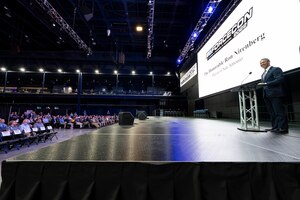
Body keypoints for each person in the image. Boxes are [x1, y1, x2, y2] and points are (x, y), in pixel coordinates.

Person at [258, 58, 289, 134]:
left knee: (279, 111)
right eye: (260, 63)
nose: (262, 64)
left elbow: (280, 79)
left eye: (263, 62)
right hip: (267, 95)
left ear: (268, 62)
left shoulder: (275, 69)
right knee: (272, 112)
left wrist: (266, 84)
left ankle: (282, 128)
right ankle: (275, 127)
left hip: (275, 94)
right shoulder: (263, 74)